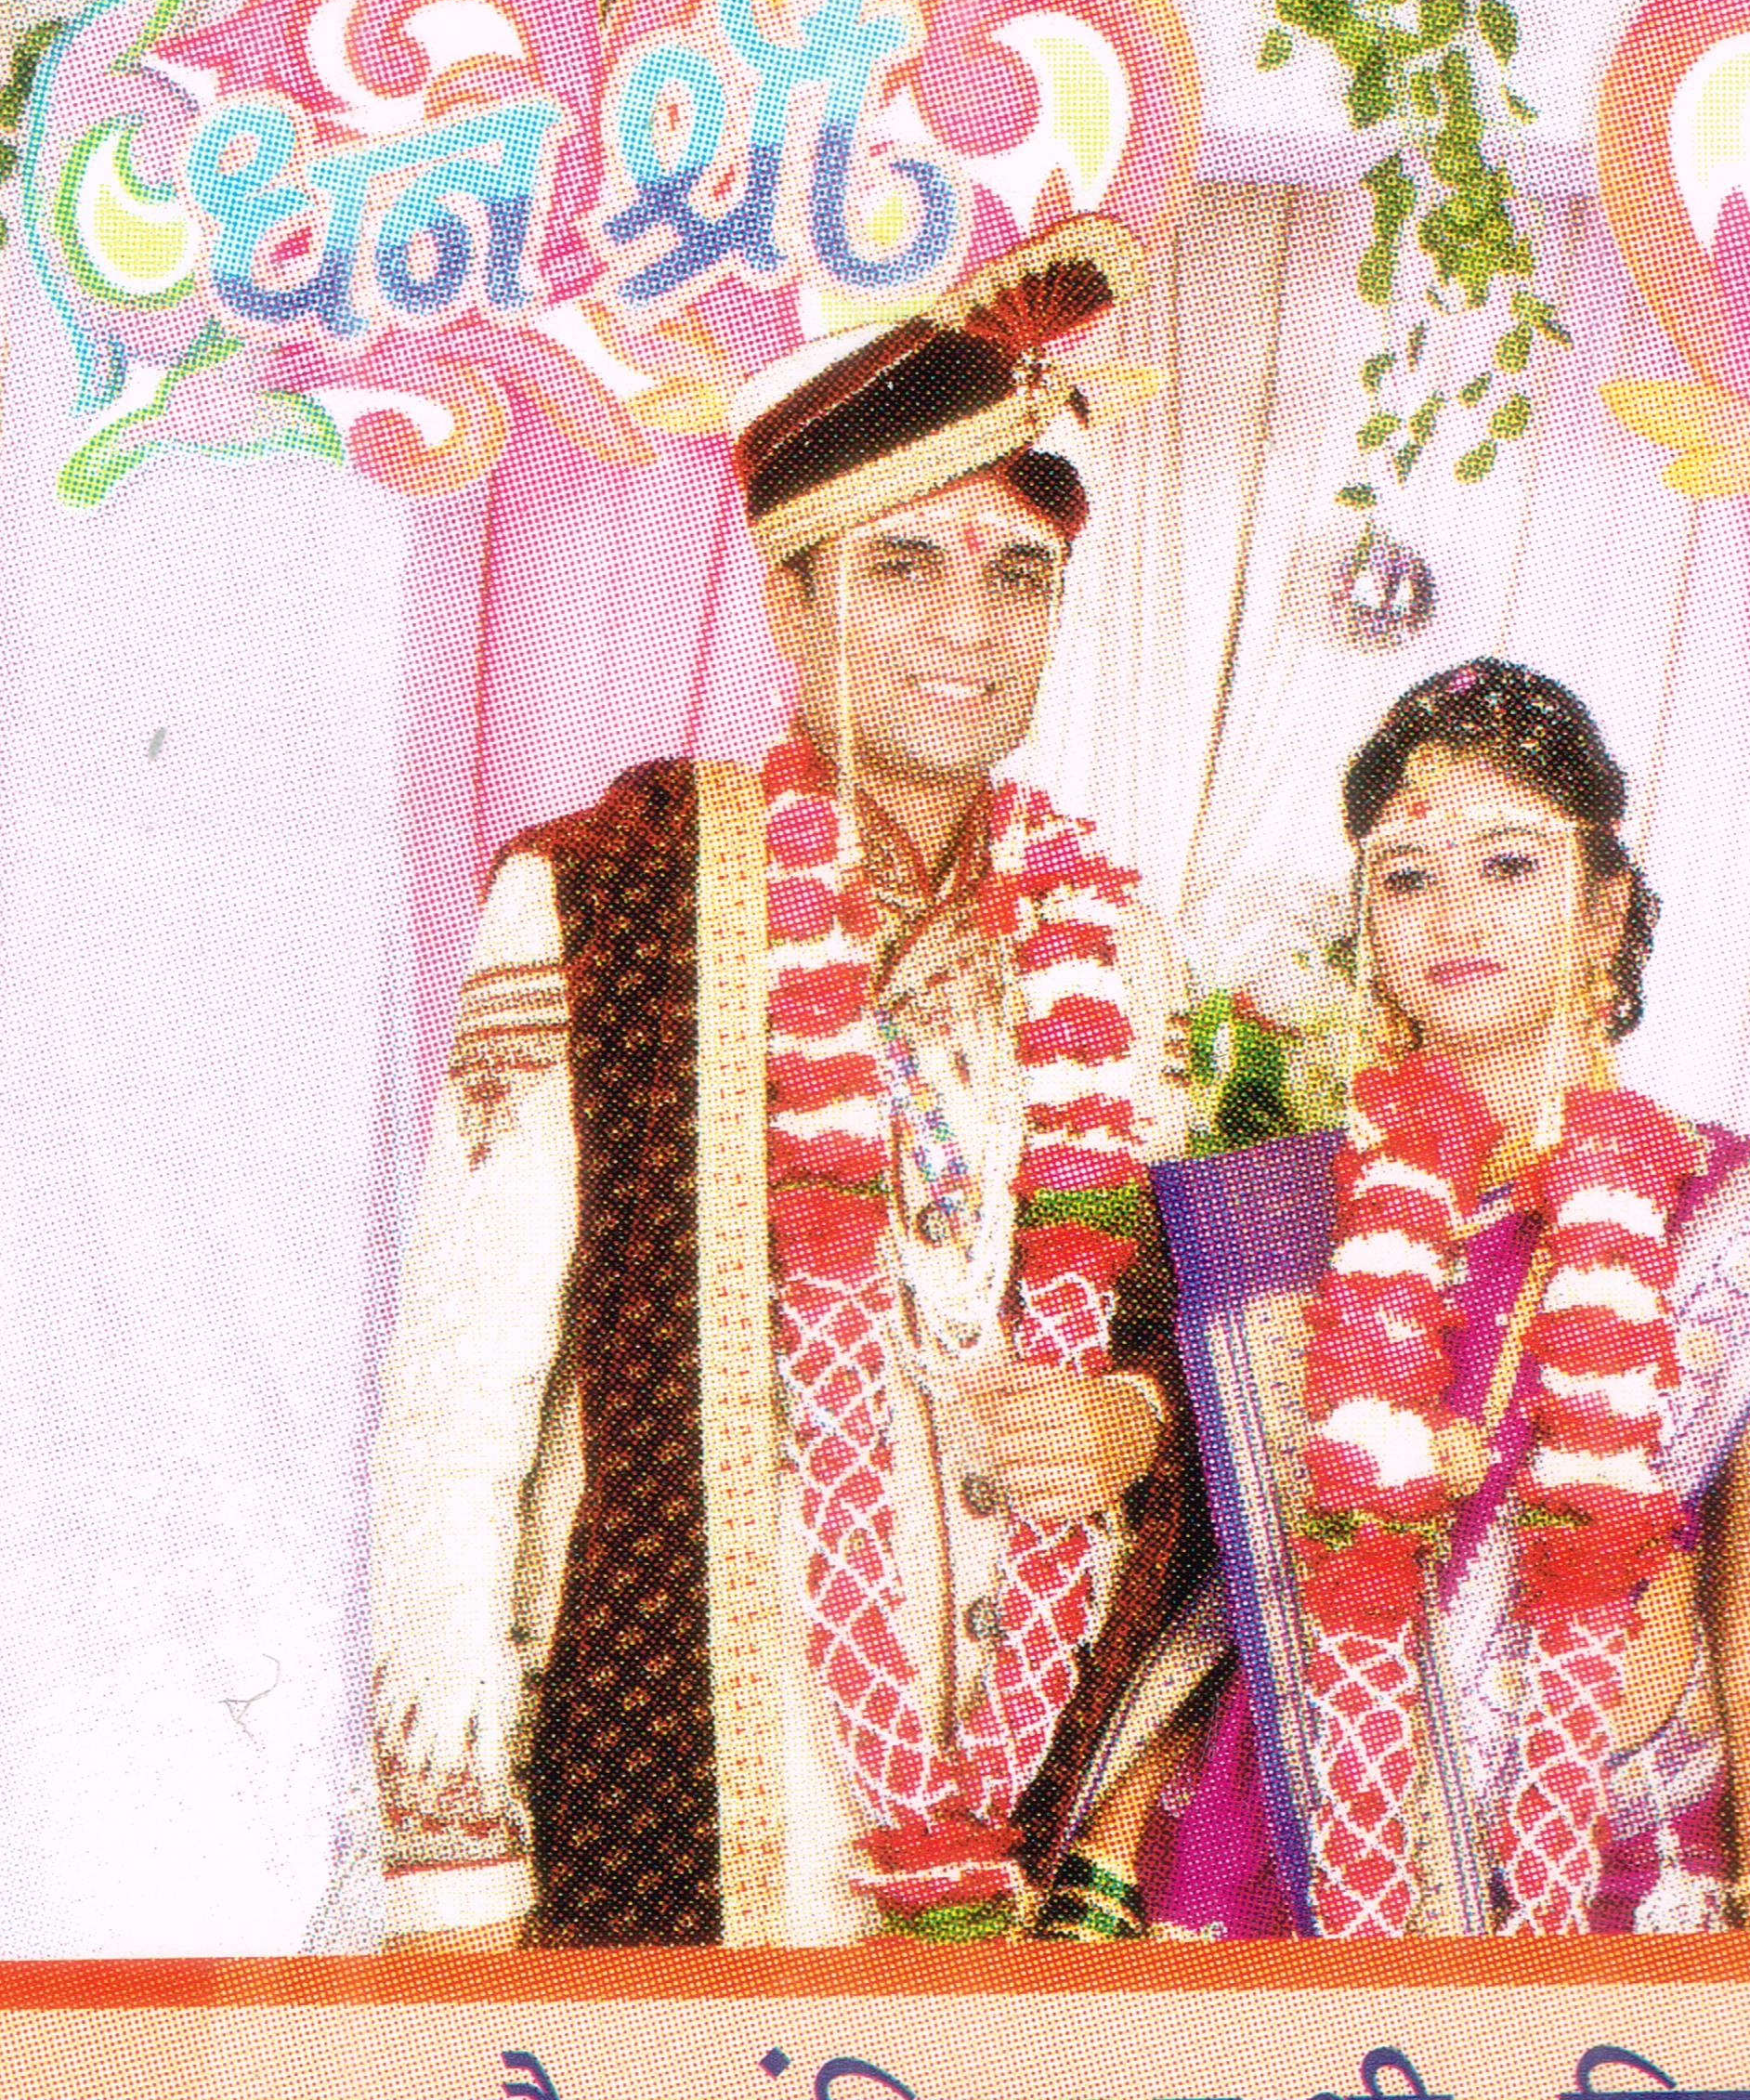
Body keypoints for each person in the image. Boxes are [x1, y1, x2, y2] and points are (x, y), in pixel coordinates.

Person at [366, 217, 1210, 1949]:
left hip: (1022, 1797)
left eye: (1017, 575)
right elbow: (460, 1391)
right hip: (683, 1789)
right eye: (903, 565)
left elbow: (1167, 1339)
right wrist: (453, 1872)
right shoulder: (604, 896)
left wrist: (1133, 1421)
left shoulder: (1117, 958)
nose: (967, 626)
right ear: (786, 597)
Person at [1050, 659, 1750, 1937]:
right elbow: (1195, 1580)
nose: (1453, 916)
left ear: (1603, 907)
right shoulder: (1275, 1219)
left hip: (1610, 1864)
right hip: (1277, 1855)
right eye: (1407, 878)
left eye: (1509, 866)